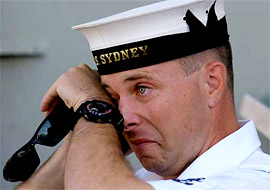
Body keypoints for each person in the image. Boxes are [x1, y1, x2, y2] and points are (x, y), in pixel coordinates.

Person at [17, 0, 270, 189]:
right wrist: (91, 135)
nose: (122, 118)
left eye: (142, 89)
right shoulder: (136, 180)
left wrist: (91, 109)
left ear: (211, 83)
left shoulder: (253, 181)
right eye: (112, 98)